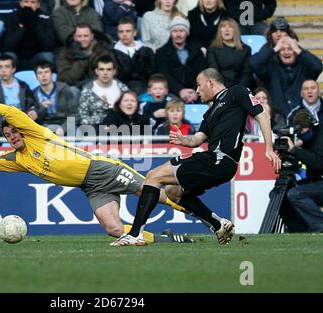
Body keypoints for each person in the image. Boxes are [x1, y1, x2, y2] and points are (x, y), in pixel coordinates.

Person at [0, 89, 194, 244]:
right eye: (7, 135)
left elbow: (9, 112)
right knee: (113, 229)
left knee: (155, 194)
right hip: (89, 185)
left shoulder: (35, 133)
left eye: (14, 132)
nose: (12, 136)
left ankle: (208, 218)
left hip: (101, 169)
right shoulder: (18, 160)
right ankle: (167, 240)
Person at [110, 68, 281, 246]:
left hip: (219, 159)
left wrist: (268, 147)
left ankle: (135, 234)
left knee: (154, 176)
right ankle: (218, 224)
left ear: (211, 83)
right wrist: (184, 139)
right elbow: (198, 139)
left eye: (199, 86)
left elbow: (261, 114)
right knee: (172, 191)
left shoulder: (236, 92)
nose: (197, 91)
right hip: (219, 163)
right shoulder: (210, 112)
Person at [285, 110, 323, 233]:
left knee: (296, 194)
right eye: (301, 129)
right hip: (316, 181)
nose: (303, 131)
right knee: (286, 192)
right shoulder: (306, 141)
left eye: (305, 128)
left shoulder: (320, 137)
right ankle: (299, 230)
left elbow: (318, 163)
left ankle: (320, 226)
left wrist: (295, 151)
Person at [206, 16, 252, 88]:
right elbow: (213, 72)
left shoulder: (246, 49)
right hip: (220, 89)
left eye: (230, 27)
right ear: (219, 31)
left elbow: (247, 74)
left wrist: (238, 90)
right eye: (223, 27)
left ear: (235, 30)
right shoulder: (212, 49)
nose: (226, 30)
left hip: (241, 89)